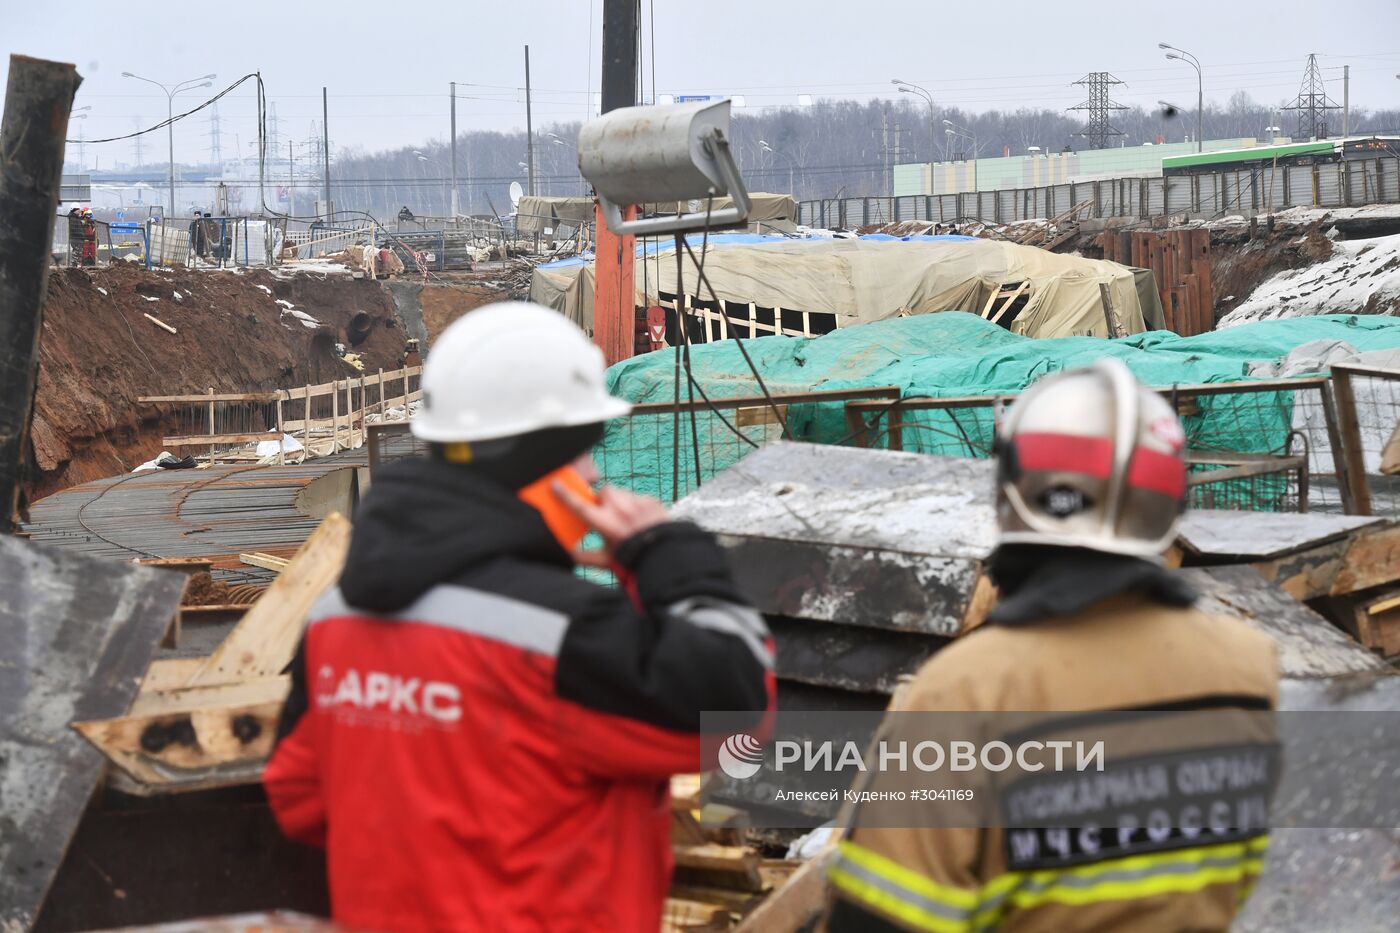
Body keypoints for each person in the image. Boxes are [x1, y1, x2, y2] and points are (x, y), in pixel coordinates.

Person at [264, 302, 774, 933]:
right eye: (587, 451)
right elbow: (735, 713)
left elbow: (299, 799)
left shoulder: (337, 618)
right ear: (549, 462)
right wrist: (668, 554)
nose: (594, 475)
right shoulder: (558, 634)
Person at [824, 359, 1279, 933]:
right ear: (1168, 499)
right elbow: (1238, 874)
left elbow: (877, 920)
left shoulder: (962, 694)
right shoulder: (1247, 668)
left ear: (1014, 489)